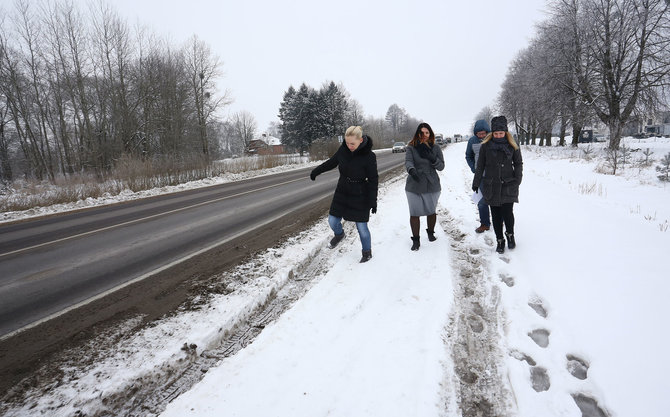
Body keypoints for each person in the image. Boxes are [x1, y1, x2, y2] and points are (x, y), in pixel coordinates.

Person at [310, 126, 378, 263]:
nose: (349, 146)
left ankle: (367, 252)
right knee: (332, 220)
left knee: (362, 228)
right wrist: (316, 171)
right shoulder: (343, 150)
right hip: (343, 191)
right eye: (347, 143)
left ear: (360, 140)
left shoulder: (369, 156)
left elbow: (373, 180)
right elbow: (331, 163)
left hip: (360, 193)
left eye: (352, 143)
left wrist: (373, 200)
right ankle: (339, 235)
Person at [472, 116, 523, 254]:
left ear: (505, 132)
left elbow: (518, 163)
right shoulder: (485, 146)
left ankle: (510, 235)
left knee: (508, 214)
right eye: (496, 133)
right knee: (495, 215)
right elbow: (480, 165)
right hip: (491, 185)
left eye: (501, 133)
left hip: (508, 185)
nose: (498, 136)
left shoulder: (512, 145)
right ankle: (500, 240)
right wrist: (476, 182)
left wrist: (517, 179)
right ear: (492, 133)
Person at [405, 122, 445, 251]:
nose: (424, 135)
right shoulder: (411, 147)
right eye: (421, 133)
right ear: (417, 133)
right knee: (414, 213)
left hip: (431, 183)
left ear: (430, 134)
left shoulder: (436, 148)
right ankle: (416, 240)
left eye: (427, 132)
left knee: (431, 210)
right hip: (414, 183)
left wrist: (433, 158)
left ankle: (430, 233)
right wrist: (411, 170)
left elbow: (441, 167)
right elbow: (408, 161)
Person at [465, 119, 492, 233]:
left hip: (493, 175)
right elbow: (468, 156)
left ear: (487, 132)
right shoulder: (472, 141)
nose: (481, 135)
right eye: (479, 133)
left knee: (497, 199)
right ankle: (485, 224)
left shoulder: (492, 139)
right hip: (480, 176)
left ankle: (499, 220)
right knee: (482, 201)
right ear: (475, 133)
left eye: (483, 133)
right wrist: (473, 169)